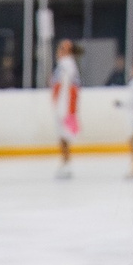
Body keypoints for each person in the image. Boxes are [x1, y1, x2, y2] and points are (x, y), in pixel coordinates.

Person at [49, 37, 81, 178]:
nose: (58, 51)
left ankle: (66, 163)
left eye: (61, 48)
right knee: (63, 136)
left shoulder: (66, 64)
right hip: (64, 106)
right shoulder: (67, 64)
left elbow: (69, 87)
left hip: (64, 107)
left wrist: (68, 108)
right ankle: (65, 162)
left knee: (64, 136)